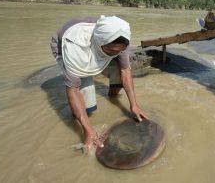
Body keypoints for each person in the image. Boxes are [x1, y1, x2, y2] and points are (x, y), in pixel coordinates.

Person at [50, 15, 147, 148]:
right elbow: (73, 90)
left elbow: (125, 71)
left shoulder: (120, 37)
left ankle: (112, 96)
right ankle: (81, 121)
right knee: (88, 108)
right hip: (66, 44)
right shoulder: (74, 48)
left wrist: (134, 105)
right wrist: (87, 129)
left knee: (118, 69)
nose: (116, 53)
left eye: (120, 50)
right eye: (112, 51)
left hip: (102, 44)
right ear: (99, 43)